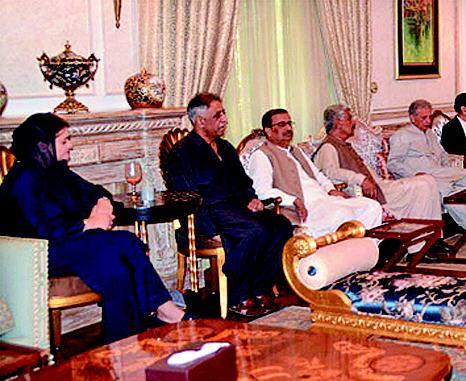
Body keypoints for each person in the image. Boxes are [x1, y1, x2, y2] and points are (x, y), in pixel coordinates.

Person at [0, 113, 186, 342]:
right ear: (43, 146)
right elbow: (41, 229)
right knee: (125, 244)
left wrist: (103, 204)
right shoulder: (24, 179)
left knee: (115, 268)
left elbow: (96, 190)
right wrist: (87, 224)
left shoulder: (58, 172)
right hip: (38, 252)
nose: (70, 145)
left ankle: (125, 342)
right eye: (64, 141)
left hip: (69, 244)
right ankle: (163, 311)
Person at [164, 93, 293, 317]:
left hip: (237, 208)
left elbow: (243, 181)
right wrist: (209, 230)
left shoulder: (224, 147)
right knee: (254, 231)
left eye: (223, 113)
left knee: (281, 225)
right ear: (200, 121)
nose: (224, 119)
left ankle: (260, 286)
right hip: (207, 212)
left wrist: (251, 197)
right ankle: (238, 294)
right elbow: (186, 197)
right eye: (217, 115)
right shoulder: (183, 152)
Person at [313, 104, 451, 253]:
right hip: (371, 193)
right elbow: (330, 172)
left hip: (381, 186)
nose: (353, 122)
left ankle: (433, 239)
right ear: (338, 123)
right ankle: (418, 248)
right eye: (349, 119)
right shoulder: (328, 147)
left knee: (428, 180)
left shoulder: (345, 145)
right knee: (424, 185)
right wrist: (361, 180)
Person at [246, 108, 383, 237]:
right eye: (282, 124)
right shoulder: (261, 155)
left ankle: (368, 250)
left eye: (289, 124)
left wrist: (331, 190)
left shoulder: (296, 150)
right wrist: (293, 200)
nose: (288, 128)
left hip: (325, 200)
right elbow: (261, 191)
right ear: (269, 131)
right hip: (304, 209)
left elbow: (318, 175)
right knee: (342, 214)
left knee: (372, 207)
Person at [388, 99, 466, 241]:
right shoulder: (402, 136)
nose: (428, 121)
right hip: (421, 177)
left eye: (430, 117)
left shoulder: (429, 133)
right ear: (412, 118)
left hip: (439, 171)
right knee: (445, 189)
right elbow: (393, 163)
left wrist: (450, 166)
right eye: (424, 118)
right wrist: (414, 174)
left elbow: (443, 155)